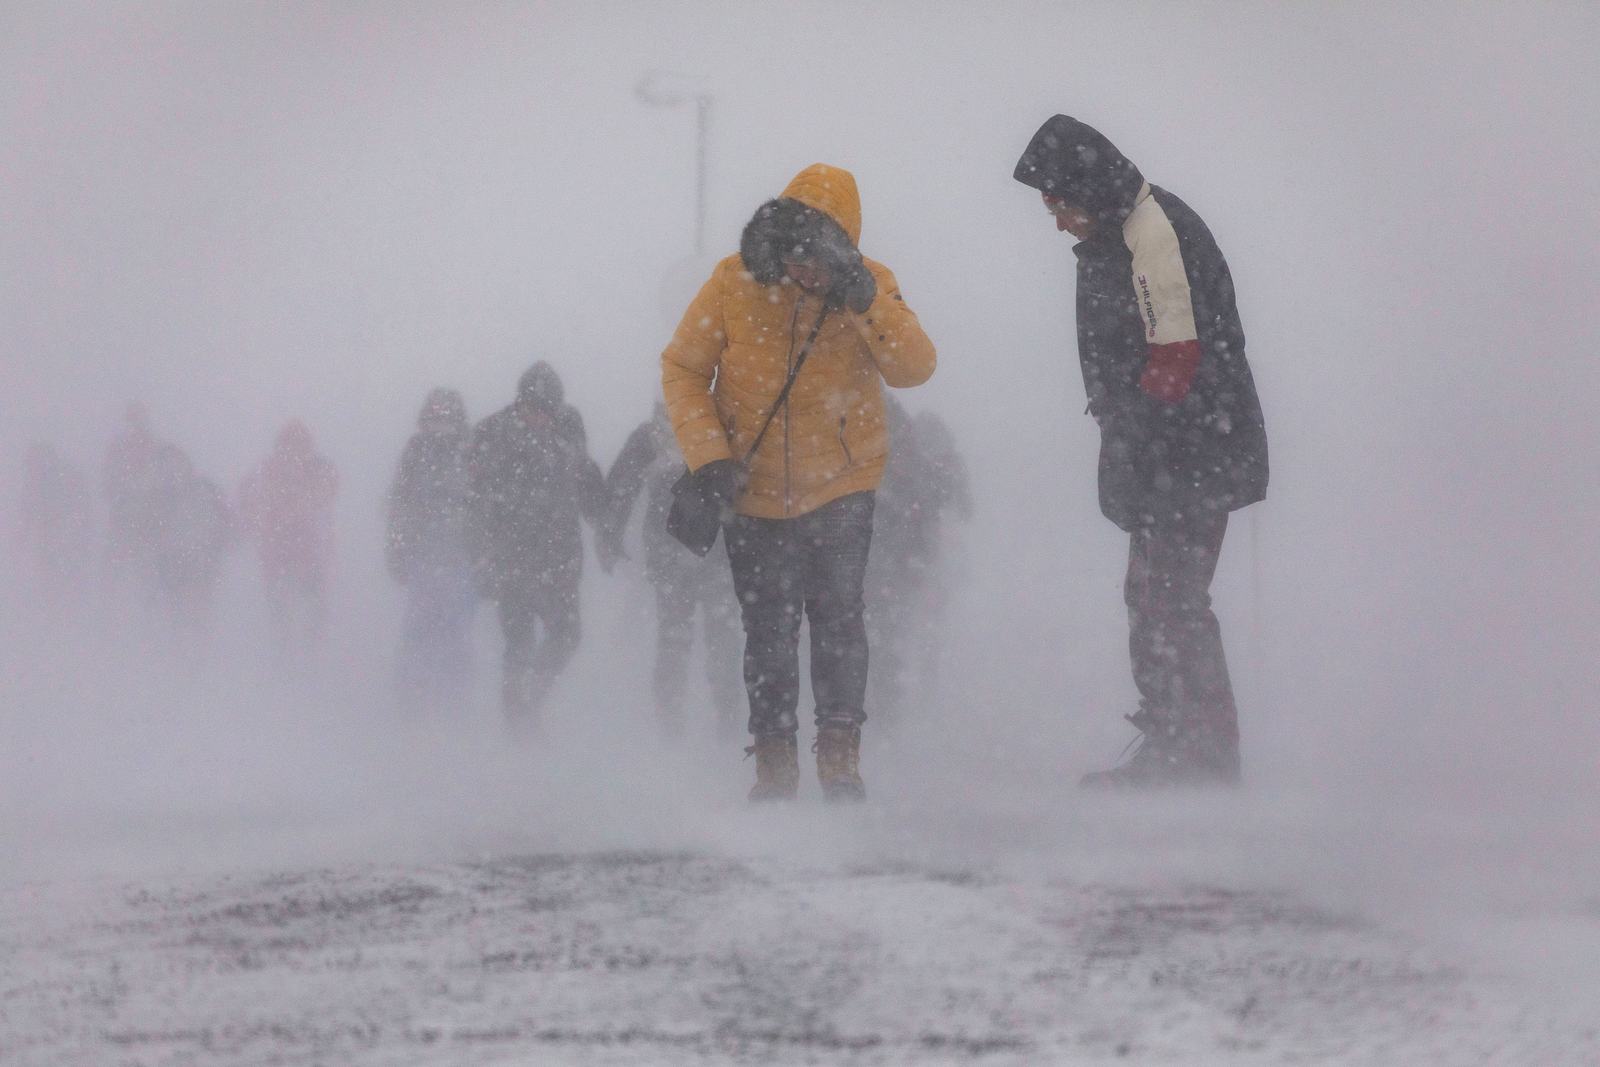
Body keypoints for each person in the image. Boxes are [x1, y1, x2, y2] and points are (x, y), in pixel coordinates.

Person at [661, 163, 937, 802]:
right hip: (751, 492)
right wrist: (708, 458)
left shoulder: (871, 289)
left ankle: (839, 761)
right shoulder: (732, 282)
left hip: (843, 485)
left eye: (816, 261)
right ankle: (774, 764)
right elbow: (682, 369)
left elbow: (915, 368)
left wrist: (865, 301)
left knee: (839, 620)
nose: (802, 273)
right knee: (767, 630)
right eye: (792, 256)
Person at [1013, 115, 1268, 787]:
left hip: (1190, 449)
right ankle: (1180, 742)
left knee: (1170, 597)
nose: (1058, 222)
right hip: (1179, 447)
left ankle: (1199, 756)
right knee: (1157, 594)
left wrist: (1141, 446)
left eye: (1059, 205)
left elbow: (1175, 357)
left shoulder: (1155, 233)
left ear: (1086, 191)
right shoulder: (1122, 233)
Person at [467, 362, 609, 729]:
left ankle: (530, 699)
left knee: (567, 634)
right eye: (533, 409)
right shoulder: (493, 435)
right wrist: (479, 555)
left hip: (560, 556)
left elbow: (587, 479)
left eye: (548, 411)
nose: (540, 418)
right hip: (510, 556)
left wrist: (605, 522)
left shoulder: (567, 429)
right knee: (519, 640)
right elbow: (473, 502)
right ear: (520, 404)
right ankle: (517, 717)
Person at [602, 402, 744, 741]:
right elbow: (621, 486)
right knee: (716, 639)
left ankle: (675, 721)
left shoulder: (652, 435)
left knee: (678, 638)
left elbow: (621, 486)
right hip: (713, 551)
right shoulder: (722, 430)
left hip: (678, 550)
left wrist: (611, 534)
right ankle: (721, 720)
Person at [863, 400, 971, 727]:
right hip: (900, 561)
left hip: (887, 560)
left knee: (878, 640)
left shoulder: (896, 434)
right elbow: (963, 505)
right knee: (888, 640)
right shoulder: (924, 454)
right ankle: (885, 716)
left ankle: (880, 716)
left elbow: (959, 504)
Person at [386, 388, 478, 714]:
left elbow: (483, 503)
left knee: (455, 630)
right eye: (436, 418)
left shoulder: (470, 451)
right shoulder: (416, 450)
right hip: (424, 556)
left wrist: (484, 552)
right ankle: (412, 699)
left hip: (461, 557)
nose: (441, 425)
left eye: (446, 418)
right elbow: (399, 503)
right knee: (421, 627)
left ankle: (452, 702)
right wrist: (397, 550)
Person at [239, 420, 339, 660]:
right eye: (290, 446)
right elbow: (248, 498)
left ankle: (305, 655)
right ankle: (288, 656)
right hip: (282, 554)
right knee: (285, 610)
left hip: (303, 553)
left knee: (308, 610)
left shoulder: (314, 471)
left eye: (300, 447)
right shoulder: (271, 471)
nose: (294, 453)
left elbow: (331, 487)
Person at [146, 443, 233, 638]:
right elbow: (149, 530)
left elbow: (224, 521)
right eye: (166, 466)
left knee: (196, 610)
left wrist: (215, 547)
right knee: (176, 611)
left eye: (175, 464)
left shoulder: (205, 489)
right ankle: (181, 651)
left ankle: (196, 652)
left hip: (200, 559)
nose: (172, 471)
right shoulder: (159, 497)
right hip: (171, 561)